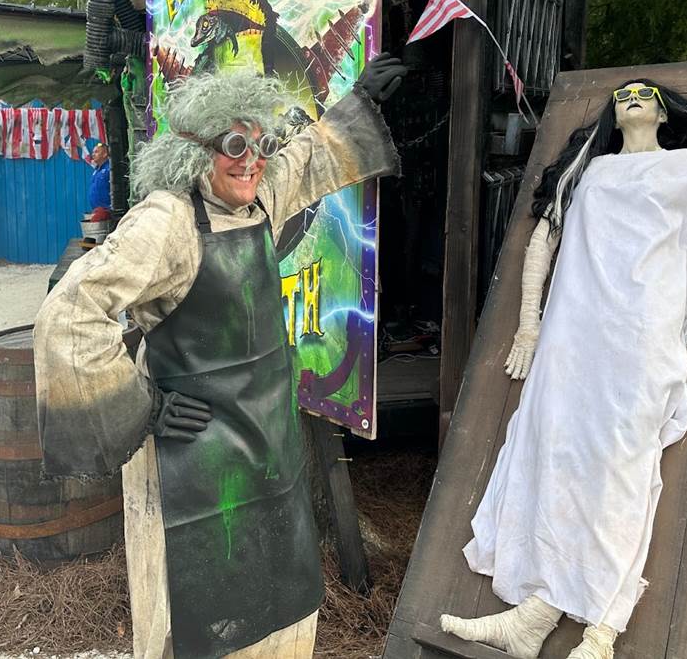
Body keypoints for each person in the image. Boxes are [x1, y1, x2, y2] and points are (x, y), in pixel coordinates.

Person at [33, 57, 407, 659]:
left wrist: (358, 103)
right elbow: (71, 311)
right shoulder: (167, 221)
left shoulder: (256, 201)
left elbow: (302, 160)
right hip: (190, 457)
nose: (251, 160)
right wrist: (145, 405)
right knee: (190, 613)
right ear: (192, 152)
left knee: (273, 598)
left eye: (259, 144)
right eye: (234, 145)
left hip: (264, 443)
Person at [440, 80, 687, 659]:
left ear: (664, 112)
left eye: (644, 93)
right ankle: (535, 618)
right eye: (623, 94)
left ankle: (602, 633)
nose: (631, 97)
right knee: (556, 464)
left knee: (622, 475)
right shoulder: (589, 170)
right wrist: (529, 325)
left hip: (643, 340)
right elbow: (542, 242)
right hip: (572, 340)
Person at [88, 142, 112, 217]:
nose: (93, 154)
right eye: (93, 152)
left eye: (96, 152)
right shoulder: (96, 170)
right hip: (96, 210)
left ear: (105, 154)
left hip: (107, 212)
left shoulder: (109, 169)